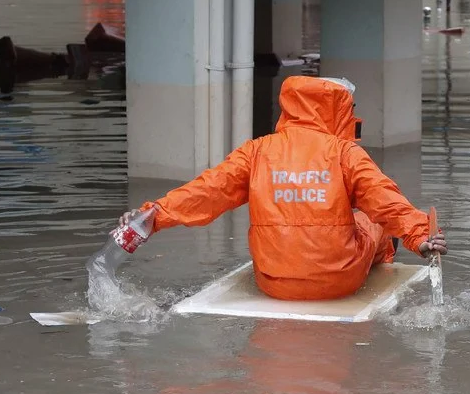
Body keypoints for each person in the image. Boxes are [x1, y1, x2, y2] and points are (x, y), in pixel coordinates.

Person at [116, 76, 448, 302]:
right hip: (338, 282)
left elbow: (206, 192)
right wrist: (420, 235)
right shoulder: (347, 154)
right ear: (341, 110)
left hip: (273, 281)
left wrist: (151, 216)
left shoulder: (257, 151)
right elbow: (387, 203)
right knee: (373, 220)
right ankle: (386, 258)